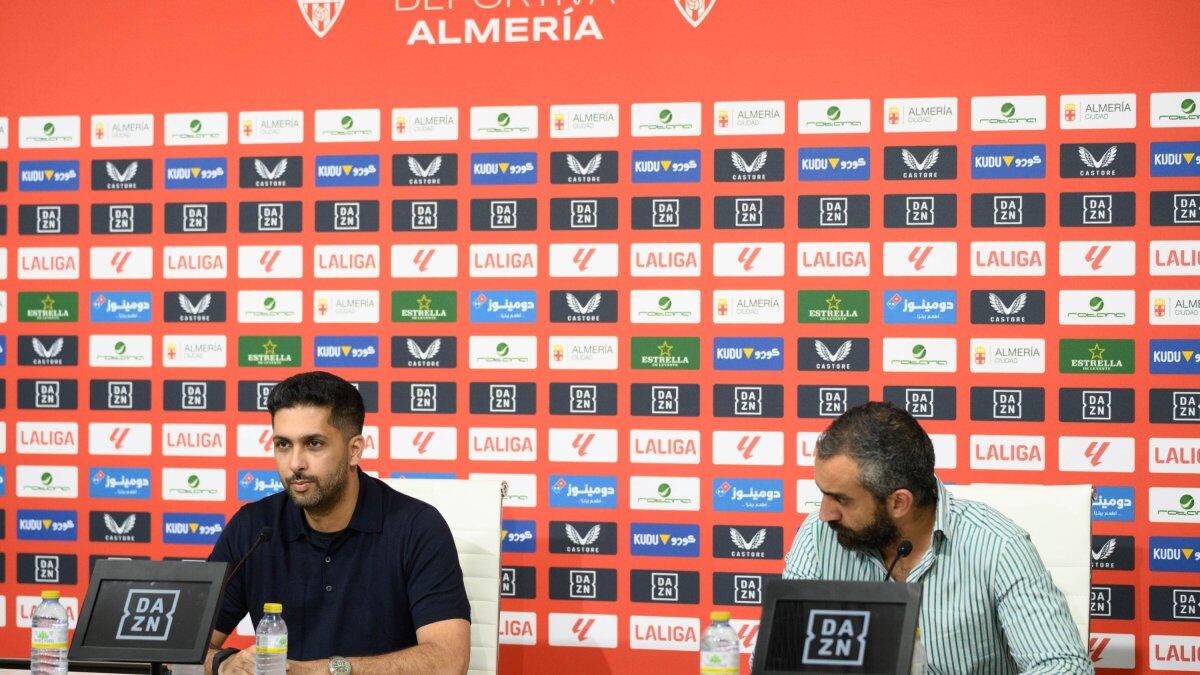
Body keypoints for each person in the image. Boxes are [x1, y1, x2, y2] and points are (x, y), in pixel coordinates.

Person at [783, 402, 1092, 674]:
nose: (825, 513)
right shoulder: (818, 537)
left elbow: (1064, 667)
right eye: (823, 494)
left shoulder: (998, 546)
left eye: (841, 499)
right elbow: (781, 654)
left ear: (898, 502)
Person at [205, 371, 471, 675]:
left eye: (314, 443)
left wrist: (323, 671)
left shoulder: (417, 527)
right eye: (283, 444)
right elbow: (182, 647)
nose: (295, 463)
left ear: (354, 450)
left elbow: (449, 661)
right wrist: (223, 663)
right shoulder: (254, 528)